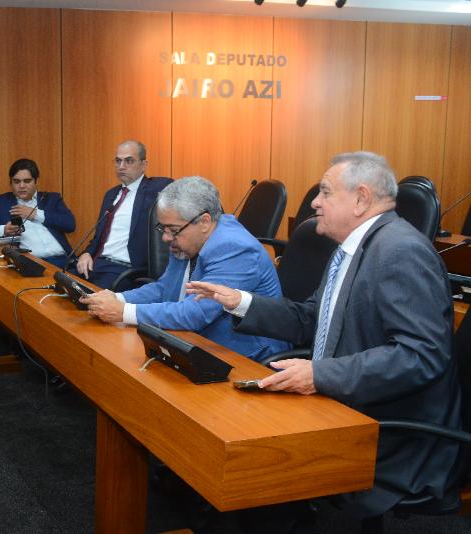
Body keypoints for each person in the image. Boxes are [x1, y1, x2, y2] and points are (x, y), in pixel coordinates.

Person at [188, 151, 462, 519]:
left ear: (361, 199)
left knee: (256, 469)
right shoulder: (352, 248)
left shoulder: (402, 251)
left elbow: (420, 356)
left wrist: (319, 374)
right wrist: (240, 302)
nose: (315, 202)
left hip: (394, 435)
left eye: (326, 192)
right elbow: (311, 319)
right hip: (347, 405)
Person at [80, 176, 289, 361]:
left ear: (204, 221)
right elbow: (164, 288)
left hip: (248, 355)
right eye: (163, 228)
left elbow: (195, 313)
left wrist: (123, 312)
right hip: (198, 340)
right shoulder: (187, 239)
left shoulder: (235, 249)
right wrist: (117, 298)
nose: (165, 237)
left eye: (172, 229)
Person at [75, 140, 172, 290]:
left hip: (124, 270)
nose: (121, 166)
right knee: (61, 282)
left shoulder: (157, 188)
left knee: (86, 296)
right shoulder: (111, 194)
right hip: (96, 264)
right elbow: (99, 236)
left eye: (129, 161)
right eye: (118, 161)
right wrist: (86, 253)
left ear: (144, 165)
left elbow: (183, 191)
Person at [0, 158, 76, 268]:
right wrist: (3, 230)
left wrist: (36, 214)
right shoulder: (1, 202)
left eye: (27, 181)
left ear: (36, 181)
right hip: (32, 262)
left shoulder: (51, 199)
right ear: (10, 183)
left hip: (64, 261)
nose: (21, 186)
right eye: (16, 181)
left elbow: (70, 225)